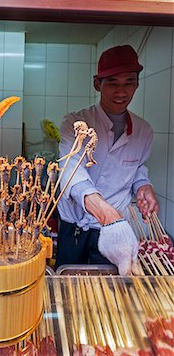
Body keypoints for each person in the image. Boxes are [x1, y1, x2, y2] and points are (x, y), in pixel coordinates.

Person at [55, 45, 159, 275]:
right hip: (75, 227)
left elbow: (137, 168)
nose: (121, 91)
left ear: (137, 84)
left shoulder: (144, 131)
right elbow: (71, 173)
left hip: (111, 232)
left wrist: (144, 186)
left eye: (129, 82)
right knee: (67, 288)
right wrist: (108, 216)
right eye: (112, 82)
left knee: (106, 291)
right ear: (97, 83)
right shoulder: (75, 123)